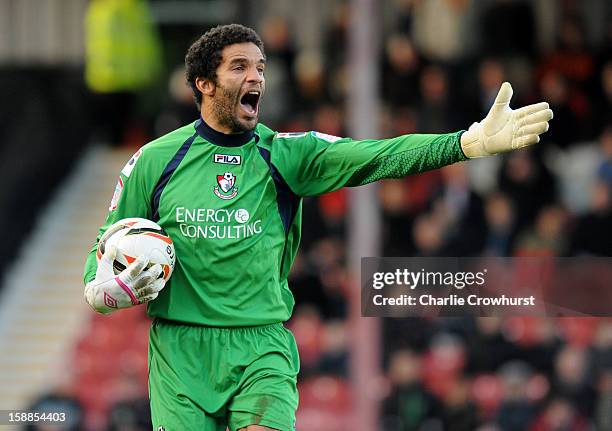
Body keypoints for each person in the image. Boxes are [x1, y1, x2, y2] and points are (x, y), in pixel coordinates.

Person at [83, 24, 553, 431]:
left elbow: (377, 156)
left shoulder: (287, 154)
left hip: (260, 345)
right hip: (179, 350)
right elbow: (105, 247)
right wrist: (98, 289)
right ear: (204, 83)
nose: (256, 78)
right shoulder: (156, 161)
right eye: (240, 67)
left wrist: (465, 143)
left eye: (261, 68)